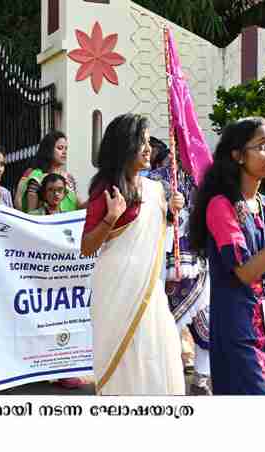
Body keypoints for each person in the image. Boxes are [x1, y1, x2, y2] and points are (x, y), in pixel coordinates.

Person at [189, 117, 265, 395]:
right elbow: (245, 272)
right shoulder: (220, 206)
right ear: (237, 155)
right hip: (238, 327)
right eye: (263, 146)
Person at [81, 113, 186, 395]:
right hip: (116, 288)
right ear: (125, 145)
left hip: (149, 289)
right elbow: (87, 247)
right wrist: (110, 218)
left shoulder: (155, 189)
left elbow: (161, 230)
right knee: (123, 357)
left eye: (148, 140)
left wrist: (174, 209)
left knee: (156, 348)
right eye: (141, 141)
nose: (149, 148)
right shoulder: (106, 187)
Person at [148, 137, 212, 395]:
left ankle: (201, 380)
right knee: (164, 329)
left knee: (207, 327)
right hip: (164, 265)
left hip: (200, 264)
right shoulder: (153, 180)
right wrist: (166, 209)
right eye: (182, 142)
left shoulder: (205, 180)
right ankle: (166, 384)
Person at [16, 131, 85, 213]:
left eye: (66, 149)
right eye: (60, 148)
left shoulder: (69, 178)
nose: (64, 152)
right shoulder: (36, 177)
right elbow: (31, 212)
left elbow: (80, 205)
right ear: (48, 149)